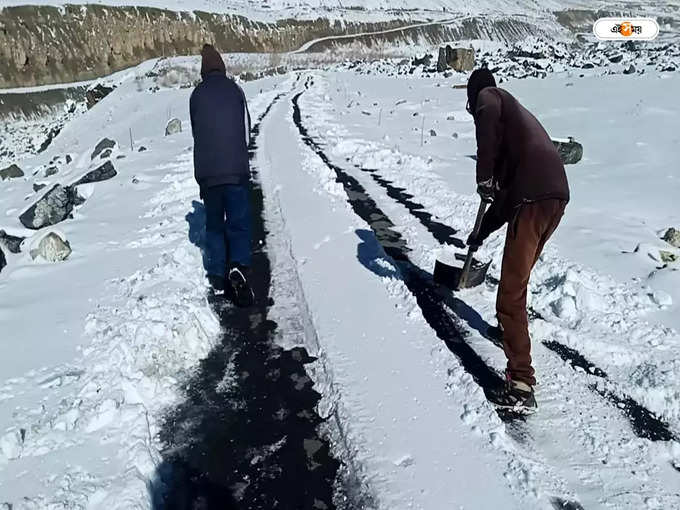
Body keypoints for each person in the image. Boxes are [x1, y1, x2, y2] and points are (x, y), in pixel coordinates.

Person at [465, 68, 570, 411]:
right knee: (518, 279)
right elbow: (506, 204)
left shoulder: (490, 97)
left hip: (534, 197)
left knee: (509, 294)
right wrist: (480, 233)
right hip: (554, 196)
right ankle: (511, 335)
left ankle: (521, 384)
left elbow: (486, 116)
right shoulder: (517, 117)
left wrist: (484, 176)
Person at [190, 44, 254, 307]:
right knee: (238, 222)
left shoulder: (196, 95)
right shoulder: (235, 90)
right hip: (235, 170)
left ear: (203, 70)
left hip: (208, 173)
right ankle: (237, 265)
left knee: (215, 226)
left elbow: (197, 133)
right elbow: (247, 129)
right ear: (223, 66)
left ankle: (217, 276)